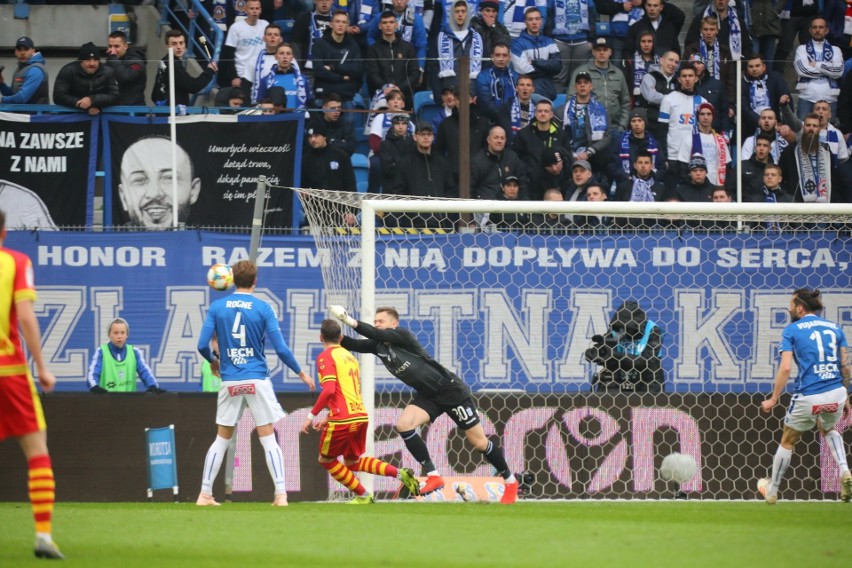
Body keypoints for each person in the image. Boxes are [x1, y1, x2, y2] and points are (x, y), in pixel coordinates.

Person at [328, 305, 519, 504]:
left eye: (381, 321)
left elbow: (371, 332)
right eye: (375, 321)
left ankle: (510, 481)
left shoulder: (403, 336)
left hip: (450, 391)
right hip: (428, 395)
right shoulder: (378, 346)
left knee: (479, 443)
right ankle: (433, 475)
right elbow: (352, 344)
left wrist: (349, 320)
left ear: (394, 324)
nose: (377, 325)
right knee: (404, 424)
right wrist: (332, 334)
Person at [196, 260, 315, 506]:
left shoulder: (218, 307)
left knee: (221, 439)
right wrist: (301, 373)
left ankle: (205, 494)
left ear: (231, 280)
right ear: (255, 281)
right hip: (257, 378)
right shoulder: (263, 308)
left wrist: (214, 361)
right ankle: (280, 495)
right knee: (268, 437)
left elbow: (201, 345)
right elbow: (281, 349)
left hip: (230, 380)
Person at [301, 319, 421, 504]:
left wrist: (311, 416)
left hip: (343, 419)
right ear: (341, 337)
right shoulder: (350, 357)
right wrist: (328, 415)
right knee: (352, 462)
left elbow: (330, 390)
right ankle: (400, 473)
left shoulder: (326, 357)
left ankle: (363, 495)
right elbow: (344, 391)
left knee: (326, 459)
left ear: (320, 338)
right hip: (359, 415)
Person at [0, 209, 63, 559]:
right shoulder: (16, 261)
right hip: (8, 371)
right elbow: (25, 316)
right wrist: (41, 368)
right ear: (4, 232)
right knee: (36, 448)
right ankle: (43, 536)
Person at [758, 288, 852, 504]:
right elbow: (845, 366)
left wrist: (773, 398)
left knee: (788, 440)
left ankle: (772, 491)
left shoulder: (792, 330)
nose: (789, 308)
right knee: (827, 428)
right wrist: (845, 396)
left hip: (809, 395)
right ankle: (845, 471)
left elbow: (785, 368)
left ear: (799, 308)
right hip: (836, 392)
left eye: (791, 304)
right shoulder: (835, 329)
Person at [117, 136, 200, 229]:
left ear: (194, 190)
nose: (154, 194)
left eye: (169, 178)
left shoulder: (206, 240)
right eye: (139, 180)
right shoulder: (112, 242)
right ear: (123, 196)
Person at [584, 299, 664, 393]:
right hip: (620, 377)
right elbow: (608, 351)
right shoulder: (617, 328)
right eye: (622, 326)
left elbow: (646, 361)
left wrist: (616, 355)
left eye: (628, 327)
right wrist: (598, 352)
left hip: (647, 379)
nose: (625, 330)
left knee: (646, 405)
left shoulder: (653, 331)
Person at [568, 37, 631, 133]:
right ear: (593, 52)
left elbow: (625, 103)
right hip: (589, 128)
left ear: (610, 52)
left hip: (615, 127)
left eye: (605, 50)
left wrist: (622, 126)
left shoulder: (618, 74)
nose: (602, 53)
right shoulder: (581, 72)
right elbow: (571, 99)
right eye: (598, 50)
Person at [86, 318, 166, 393]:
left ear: (127, 335)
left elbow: (145, 372)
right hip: (107, 403)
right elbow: (93, 374)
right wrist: (94, 386)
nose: (119, 336)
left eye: (122, 332)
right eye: (116, 333)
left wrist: (152, 386)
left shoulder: (134, 352)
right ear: (109, 335)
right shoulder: (101, 351)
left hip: (129, 403)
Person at [151, 30, 218, 106]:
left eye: (181, 43)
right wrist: (210, 71)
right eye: (174, 44)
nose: (179, 47)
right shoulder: (172, 63)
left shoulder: (164, 61)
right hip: (173, 112)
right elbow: (192, 86)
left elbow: (154, 95)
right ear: (167, 46)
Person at [793, 16, 844, 119]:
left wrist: (817, 64)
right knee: (804, 133)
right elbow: (803, 70)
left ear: (826, 30)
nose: (817, 30)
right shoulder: (802, 49)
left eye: (821, 27)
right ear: (810, 30)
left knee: (828, 133)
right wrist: (829, 70)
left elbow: (838, 72)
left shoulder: (836, 50)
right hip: (806, 98)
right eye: (814, 27)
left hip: (830, 99)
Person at [53, 42, 120, 115]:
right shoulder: (68, 71)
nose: (92, 63)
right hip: (72, 117)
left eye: (95, 60)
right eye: (88, 60)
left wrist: (92, 100)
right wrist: (81, 104)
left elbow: (115, 96)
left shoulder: (108, 72)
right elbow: (59, 96)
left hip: (101, 118)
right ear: (81, 61)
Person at [510, 7, 561, 101]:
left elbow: (557, 66)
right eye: (530, 19)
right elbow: (523, 70)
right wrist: (547, 68)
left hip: (548, 90)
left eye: (537, 19)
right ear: (525, 22)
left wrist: (535, 62)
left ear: (541, 21)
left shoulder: (550, 42)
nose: (534, 22)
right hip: (526, 94)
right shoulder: (517, 44)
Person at [221, 0, 269, 98]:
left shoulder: (265, 25)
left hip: (261, 73)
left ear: (260, 10)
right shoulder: (236, 28)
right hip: (242, 74)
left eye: (257, 8)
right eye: (251, 8)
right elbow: (229, 54)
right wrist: (234, 76)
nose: (254, 11)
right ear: (245, 10)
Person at [0, 36, 49, 104]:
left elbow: (22, 97)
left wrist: (2, 100)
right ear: (15, 52)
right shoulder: (20, 69)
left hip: (35, 114)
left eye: (26, 49)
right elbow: (14, 95)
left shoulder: (36, 70)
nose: (22, 53)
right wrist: (1, 84)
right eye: (19, 49)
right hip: (23, 113)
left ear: (33, 51)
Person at [104, 30, 146, 106]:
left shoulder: (136, 61)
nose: (112, 50)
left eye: (116, 46)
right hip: (113, 109)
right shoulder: (110, 61)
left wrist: (113, 58)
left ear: (126, 46)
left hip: (132, 110)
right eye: (110, 46)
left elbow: (126, 77)